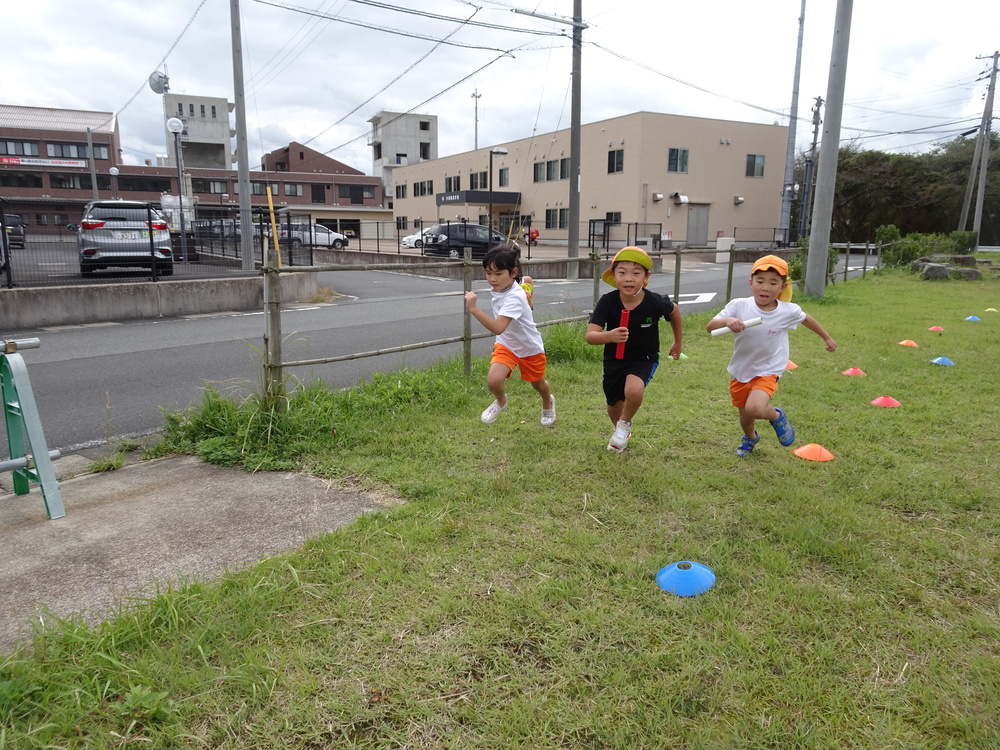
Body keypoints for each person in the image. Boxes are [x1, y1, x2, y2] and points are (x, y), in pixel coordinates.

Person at [706, 254, 837, 457]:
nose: (765, 287)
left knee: (756, 408)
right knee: (745, 415)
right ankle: (750, 438)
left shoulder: (787, 311)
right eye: (760, 281)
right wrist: (728, 321)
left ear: (782, 287)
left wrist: (827, 338)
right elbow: (710, 327)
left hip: (769, 369)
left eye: (773, 282)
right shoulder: (739, 305)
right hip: (741, 370)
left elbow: (807, 319)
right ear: (751, 283)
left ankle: (776, 416)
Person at [586, 247, 682, 452]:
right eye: (622, 273)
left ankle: (624, 424)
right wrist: (609, 336)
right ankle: (620, 430)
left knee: (633, 390)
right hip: (614, 361)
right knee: (613, 405)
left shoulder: (655, 301)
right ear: (613, 275)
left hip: (644, 357)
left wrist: (677, 342)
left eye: (636, 273)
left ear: (647, 277)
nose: (629, 279)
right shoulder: (607, 301)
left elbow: (674, 311)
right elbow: (590, 336)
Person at [464, 245, 555, 426]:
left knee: (538, 384)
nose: (492, 279)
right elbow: (526, 282)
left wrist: (473, 308)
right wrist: (528, 284)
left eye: (498, 274)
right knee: (493, 380)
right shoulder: (506, 286)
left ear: (513, 273)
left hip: (529, 348)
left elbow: (498, 327)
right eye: (488, 273)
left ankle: (548, 401)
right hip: (506, 345)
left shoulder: (514, 297)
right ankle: (501, 401)